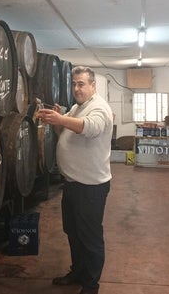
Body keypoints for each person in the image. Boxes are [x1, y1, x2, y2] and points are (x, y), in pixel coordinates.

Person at [38, 66, 113, 294]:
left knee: (90, 238)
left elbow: (89, 128)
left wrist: (62, 118)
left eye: (81, 84)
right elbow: (67, 136)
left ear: (93, 85)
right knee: (73, 233)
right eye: (74, 84)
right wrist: (61, 122)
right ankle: (78, 272)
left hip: (90, 187)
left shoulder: (100, 108)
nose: (77, 88)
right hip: (72, 184)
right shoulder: (77, 108)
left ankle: (91, 286)